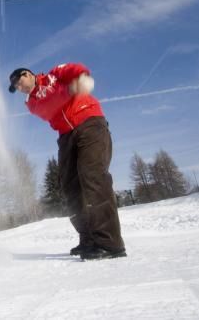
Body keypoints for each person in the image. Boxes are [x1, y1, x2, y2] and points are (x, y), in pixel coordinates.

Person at [8, 63, 126, 260]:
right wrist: (71, 89)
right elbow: (49, 108)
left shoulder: (55, 74)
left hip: (89, 122)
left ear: (27, 74)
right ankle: (88, 239)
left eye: (18, 83)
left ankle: (110, 244)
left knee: (93, 176)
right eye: (16, 89)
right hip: (66, 135)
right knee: (70, 186)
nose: (19, 89)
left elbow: (73, 68)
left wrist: (81, 77)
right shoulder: (31, 102)